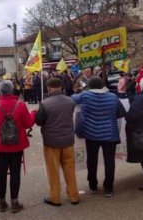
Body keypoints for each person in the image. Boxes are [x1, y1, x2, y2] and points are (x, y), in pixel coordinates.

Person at [0, 80, 35, 214]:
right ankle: (15, 202)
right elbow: (28, 123)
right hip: (17, 144)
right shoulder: (20, 105)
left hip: (0, 145)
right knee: (15, 172)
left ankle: (2, 202)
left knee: (1, 172)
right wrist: (33, 113)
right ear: (12, 90)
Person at [72, 76, 126, 197]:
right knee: (109, 161)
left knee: (92, 160)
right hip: (110, 134)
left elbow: (71, 99)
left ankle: (93, 186)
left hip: (91, 134)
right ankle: (108, 188)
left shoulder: (85, 95)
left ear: (89, 86)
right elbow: (120, 113)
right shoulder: (113, 97)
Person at [35, 78, 79, 206]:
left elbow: (39, 121)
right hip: (68, 140)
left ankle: (55, 197)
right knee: (70, 169)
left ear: (48, 88)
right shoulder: (70, 101)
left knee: (53, 171)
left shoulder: (45, 103)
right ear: (61, 87)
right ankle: (74, 196)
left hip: (51, 141)